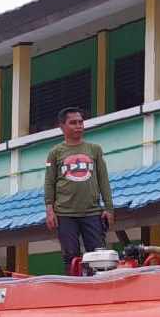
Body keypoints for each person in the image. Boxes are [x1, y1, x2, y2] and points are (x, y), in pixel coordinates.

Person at [44, 107, 115, 274]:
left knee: (98, 257)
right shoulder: (54, 153)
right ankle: (73, 286)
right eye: (73, 123)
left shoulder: (94, 149)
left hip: (92, 212)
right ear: (62, 126)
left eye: (81, 122)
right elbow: (49, 182)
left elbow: (103, 180)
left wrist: (109, 208)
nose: (78, 126)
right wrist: (49, 210)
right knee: (71, 257)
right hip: (64, 213)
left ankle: (97, 286)